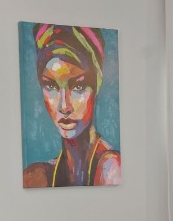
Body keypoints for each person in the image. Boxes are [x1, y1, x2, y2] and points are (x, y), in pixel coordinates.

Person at [23, 24, 121, 187]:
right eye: (51, 87)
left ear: (96, 85)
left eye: (78, 87)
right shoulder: (37, 177)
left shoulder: (111, 169)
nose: (64, 106)